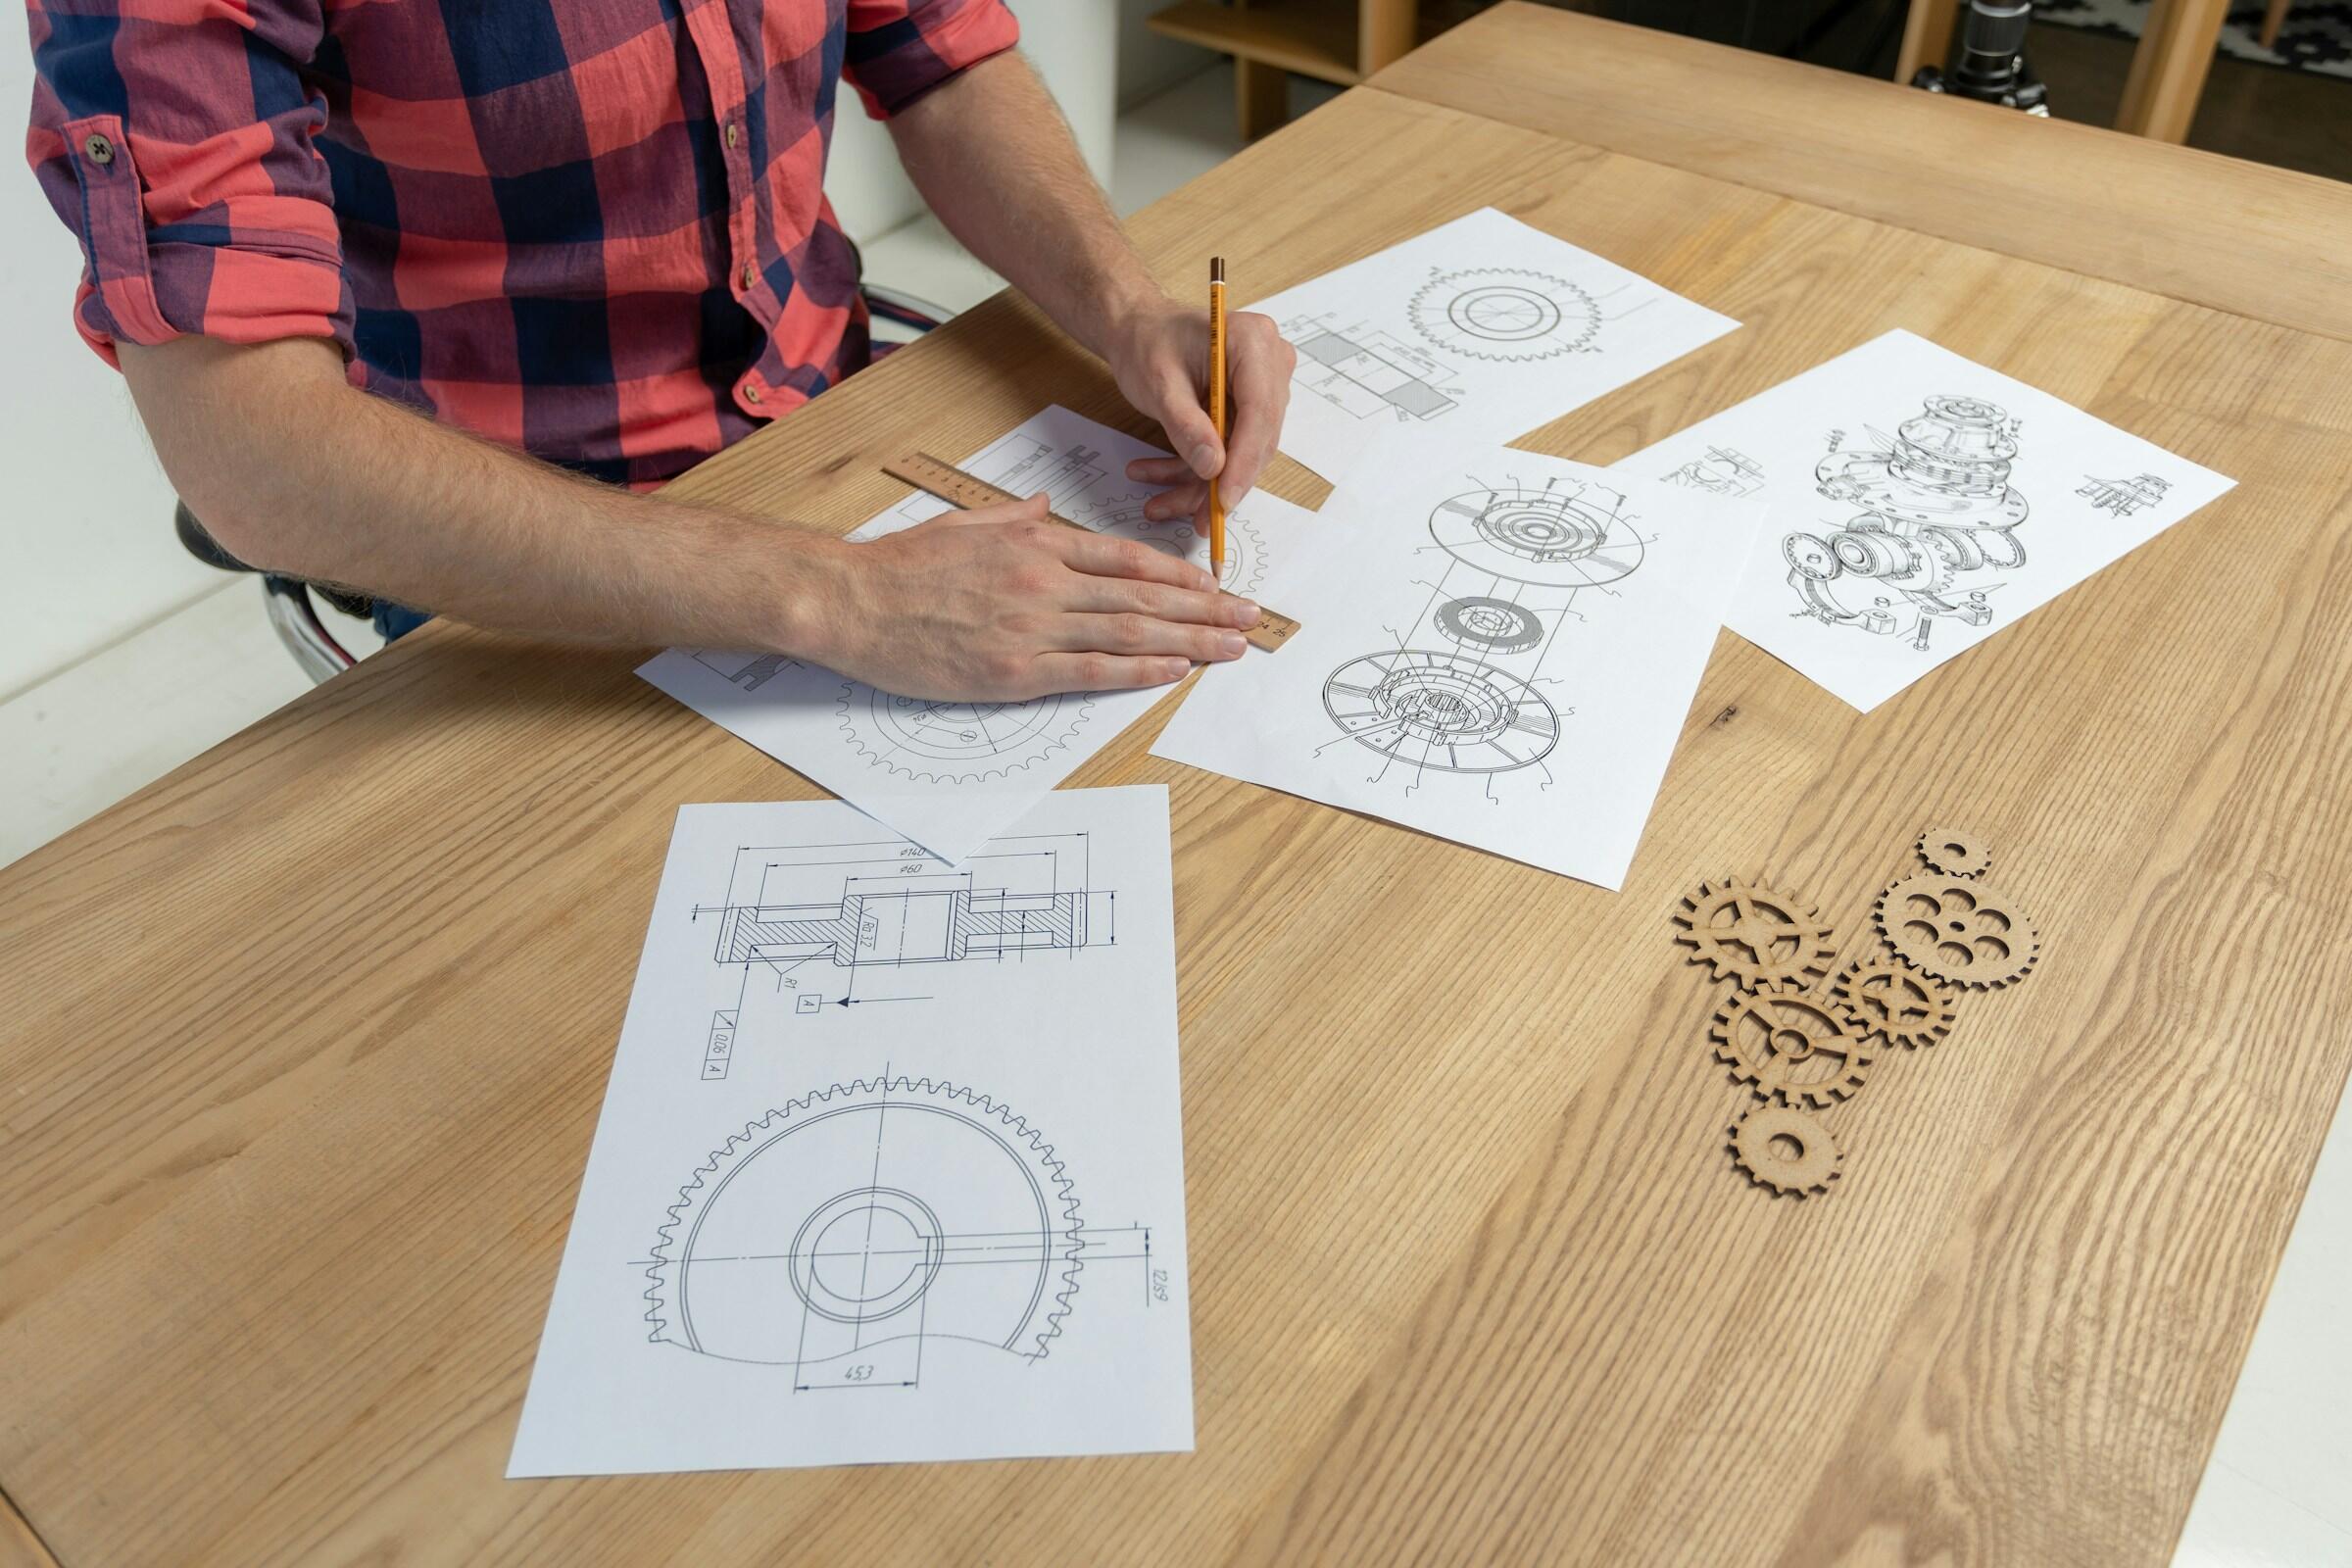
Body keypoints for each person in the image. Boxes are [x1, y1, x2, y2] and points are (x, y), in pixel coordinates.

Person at [24, 0, 1295, 700]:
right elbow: (246, 454)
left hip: (836, 424)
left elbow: (941, 60)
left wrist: (1123, 306)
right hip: (530, 557)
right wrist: (839, 598)